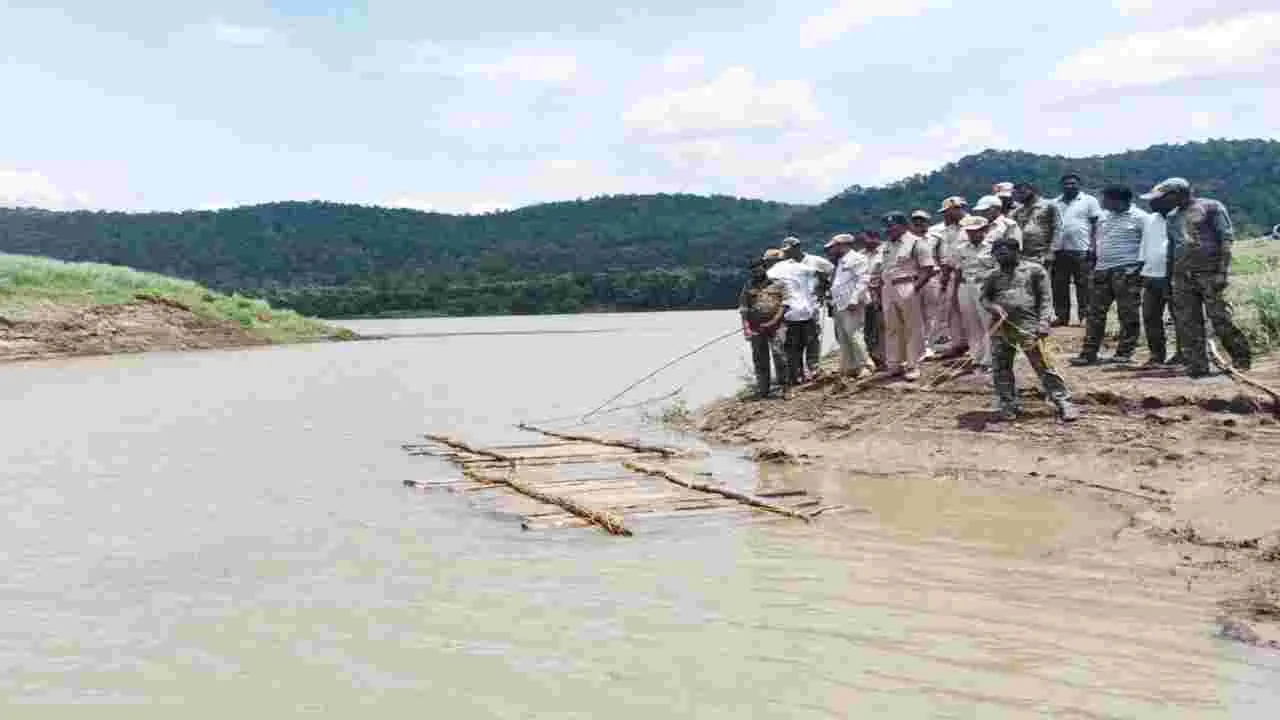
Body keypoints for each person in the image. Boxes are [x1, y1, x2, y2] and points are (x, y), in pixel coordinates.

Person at [1142, 177, 1253, 377]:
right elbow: (1172, 249)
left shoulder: (1211, 207)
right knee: (1187, 322)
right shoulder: (1172, 216)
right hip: (1181, 276)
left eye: (1163, 197)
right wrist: (1169, 278)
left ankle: (1241, 359)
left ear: (1176, 194)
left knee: (1220, 318)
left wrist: (1222, 272)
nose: (1159, 202)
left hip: (1209, 274)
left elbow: (1226, 240)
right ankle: (1197, 365)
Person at [981, 236, 1081, 422]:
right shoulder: (992, 276)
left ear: (1016, 252)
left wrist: (1044, 323)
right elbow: (984, 298)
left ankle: (1064, 402)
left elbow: (1045, 299)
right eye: (997, 254)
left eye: (1005, 253)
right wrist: (993, 307)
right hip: (1001, 327)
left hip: (1029, 325)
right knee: (1001, 368)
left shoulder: (1034, 271)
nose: (1001, 257)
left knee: (1043, 365)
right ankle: (1008, 404)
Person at [1070, 185, 1148, 366]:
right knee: (1094, 313)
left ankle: (1125, 353)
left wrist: (1140, 270)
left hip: (1127, 270)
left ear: (1118, 200)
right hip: (1102, 270)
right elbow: (1098, 240)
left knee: (1127, 313)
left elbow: (1146, 245)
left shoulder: (1141, 218)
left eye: (1105, 199)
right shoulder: (1104, 217)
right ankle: (1089, 353)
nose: (1102, 203)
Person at [878, 211, 938, 381]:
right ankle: (894, 364)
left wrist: (914, 289)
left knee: (913, 327)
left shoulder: (916, 243)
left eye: (893, 226)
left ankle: (913, 364)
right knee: (892, 327)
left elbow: (928, 269)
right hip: (888, 286)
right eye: (887, 227)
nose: (889, 230)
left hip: (907, 284)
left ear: (904, 226)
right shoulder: (888, 245)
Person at [1051, 173, 1102, 326]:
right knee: (1059, 285)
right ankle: (1061, 316)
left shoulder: (1089, 201)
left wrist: (1094, 246)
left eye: (1073, 183)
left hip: (1082, 249)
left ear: (1079, 185)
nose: (1070, 186)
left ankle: (1085, 316)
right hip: (1059, 250)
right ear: (1061, 185)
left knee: (1084, 285)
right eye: (1066, 183)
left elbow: (1096, 225)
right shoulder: (1054, 203)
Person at [766, 244, 821, 385]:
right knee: (808, 343)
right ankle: (810, 372)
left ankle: (795, 376)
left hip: (788, 315)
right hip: (807, 312)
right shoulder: (803, 268)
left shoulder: (773, 272)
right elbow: (821, 274)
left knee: (791, 348)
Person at [1138, 197, 1182, 366]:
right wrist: (1142, 268)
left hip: (1174, 277)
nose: (1152, 203)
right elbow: (1145, 244)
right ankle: (1156, 355)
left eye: (1156, 200)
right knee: (1150, 317)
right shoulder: (1150, 220)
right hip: (1151, 275)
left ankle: (1182, 355)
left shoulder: (1181, 219)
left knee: (1179, 317)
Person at [781, 236, 834, 378]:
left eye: (789, 250)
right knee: (794, 342)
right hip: (793, 308)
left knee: (812, 337)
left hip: (812, 305)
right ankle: (798, 372)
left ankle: (813, 368)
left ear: (798, 247)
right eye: (786, 251)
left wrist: (824, 289)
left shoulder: (815, 261)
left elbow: (833, 272)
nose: (787, 253)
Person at [952, 214, 999, 371]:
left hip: (984, 286)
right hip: (965, 286)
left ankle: (990, 359)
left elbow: (997, 270)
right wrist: (954, 293)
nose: (972, 234)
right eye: (969, 231)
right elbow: (958, 272)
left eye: (975, 231)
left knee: (988, 322)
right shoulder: (961, 249)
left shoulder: (992, 247)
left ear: (984, 230)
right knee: (971, 323)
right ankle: (976, 356)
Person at [739, 253, 788, 398]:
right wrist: (746, 328)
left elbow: (784, 305)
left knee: (780, 355)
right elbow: (743, 309)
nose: (756, 272)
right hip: (756, 328)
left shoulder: (778, 284)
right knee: (760, 358)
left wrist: (773, 321)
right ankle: (763, 390)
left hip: (777, 327)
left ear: (764, 268)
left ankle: (784, 387)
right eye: (753, 270)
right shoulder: (748, 286)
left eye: (758, 269)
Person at [825, 233, 874, 378]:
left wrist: (854, 299)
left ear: (842, 245)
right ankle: (850, 365)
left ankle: (866, 364)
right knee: (843, 336)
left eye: (833, 247)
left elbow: (863, 280)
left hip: (851, 303)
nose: (831, 250)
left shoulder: (857, 259)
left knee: (854, 334)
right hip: (839, 303)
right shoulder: (840, 262)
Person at [931, 196, 970, 358]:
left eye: (947, 212)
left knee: (968, 309)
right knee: (953, 309)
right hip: (950, 271)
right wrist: (945, 273)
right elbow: (947, 253)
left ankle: (974, 345)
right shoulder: (948, 229)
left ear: (957, 209)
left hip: (968, 272)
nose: (945, 216)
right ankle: (958, 343)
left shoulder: (972, 224)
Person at [911, 209, 945, 356]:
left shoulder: (936, 237)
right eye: (916, 220)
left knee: (932, 312)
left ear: (927, 222)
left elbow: (941, 258)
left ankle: (930, 344)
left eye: (922, 220)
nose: (919, 223)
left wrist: (944, 277)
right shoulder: (908, 240)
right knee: (916, 313)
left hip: (932, 277)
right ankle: (919, 346)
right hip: (914, 277)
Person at [1010, 182, 1061, 268]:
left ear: (1033, 191)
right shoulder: (1018, 210)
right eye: (1017, 194)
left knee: (1042, 278)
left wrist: (1051, 251)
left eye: (1022, 193)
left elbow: (1058, 228)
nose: (1019, 196)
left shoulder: (1049, 206)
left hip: (1041, 253)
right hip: (1023, 253)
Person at [861, 231, 886, 370]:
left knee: (883, 326)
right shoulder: (861, 255)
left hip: (882, 291)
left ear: (875, 238)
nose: (865, 243)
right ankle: (872, 355)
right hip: (866, 294)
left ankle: (882, 356)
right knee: (869, 326)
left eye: (867, 240)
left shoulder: (885, 251)